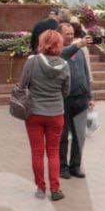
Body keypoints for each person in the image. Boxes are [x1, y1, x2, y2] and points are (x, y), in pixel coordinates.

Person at [19, 29, 71, 200]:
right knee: (54, 152)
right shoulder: (64, 65)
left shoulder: (32, 62)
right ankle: (55, 189)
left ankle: (41, 189)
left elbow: (22, 85)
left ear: (42, 43)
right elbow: (66, 91)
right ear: (59, 45)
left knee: (37, 152)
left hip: (33, 112)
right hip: (56, 113)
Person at [58, 21, 94, 180]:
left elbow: (85, 73)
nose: (71, 36)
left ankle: (75, 166)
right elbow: (63, 53)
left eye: (72, 34)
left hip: (81, 98)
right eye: (67, 34)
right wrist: (78, 44)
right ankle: (62, 167)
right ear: (59, 35)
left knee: (80, 135)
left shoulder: (79, 52)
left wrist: (90, 96)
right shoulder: (56, 51)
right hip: (64, 100)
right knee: (63, 135)